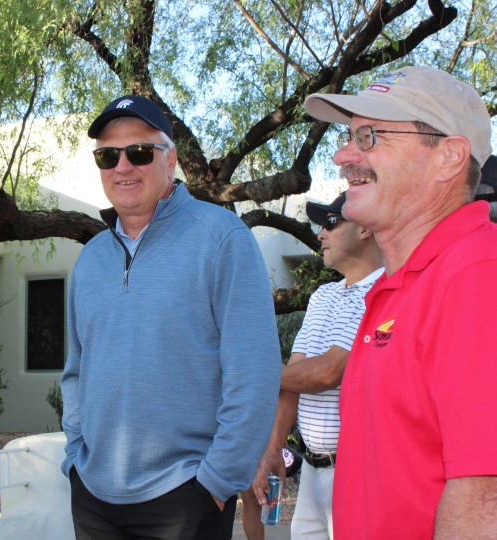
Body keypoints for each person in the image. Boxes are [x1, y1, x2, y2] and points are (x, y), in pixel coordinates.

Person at [60, 94, 281, 539]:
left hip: (186, 495)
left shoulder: (222, 238)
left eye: (140, 152)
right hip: (94, 497)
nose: (123, 166)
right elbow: (76, 372)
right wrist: (75, 460)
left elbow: (254, 372)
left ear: (171, 160)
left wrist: (217, 481)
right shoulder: (90, 259)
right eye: (108, 156)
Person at [303, 66, 497, 538]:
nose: (342, 156)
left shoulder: (477, 274)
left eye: (369, 136)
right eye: (348, 136)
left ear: (449, 157)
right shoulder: (398, 286)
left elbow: (484, 502)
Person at [248, 192, 383, 540]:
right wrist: (273, 448)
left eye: (331, 223)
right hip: (310, 470)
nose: (320, 234)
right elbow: (294, 379)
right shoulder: (323, 296)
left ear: (365, 228)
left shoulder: (384, 291)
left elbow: (327, 372)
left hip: (357, 471)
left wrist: (251, 376)